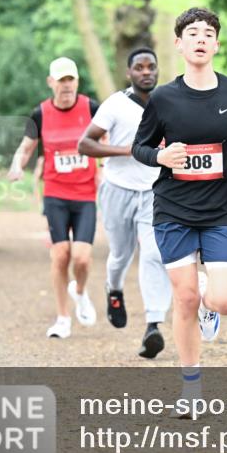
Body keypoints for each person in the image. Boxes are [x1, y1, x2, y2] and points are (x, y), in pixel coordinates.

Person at [132, 8, 227, 410]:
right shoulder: (164, 98)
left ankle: (210, 297)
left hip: (221, 209)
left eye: (208, 33)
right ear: (179, 43)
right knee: (183, 298)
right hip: (174, 209)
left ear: (217, 44)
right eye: (192, 33)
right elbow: (141, 147)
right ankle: (191, 390)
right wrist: (161, 157)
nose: (201, 38)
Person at [78, 48, 171, 359]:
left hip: (154, 192)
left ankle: (153, 325)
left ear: (158, 71)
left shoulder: (168, 102)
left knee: (154, 253)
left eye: (151, 67)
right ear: (129, 73)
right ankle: (113, 289)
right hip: (118, 189)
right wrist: (128, 150)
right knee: (121, 254)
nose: (146, 72)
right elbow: (85, 144)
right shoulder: (115, 105)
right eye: (139, 68)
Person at [8, 57, 101, 338]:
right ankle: (62, 318)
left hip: (85, 194)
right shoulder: (40, 114)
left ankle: (80, 292)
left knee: (82, 258)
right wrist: (16, 166)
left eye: (70, 79)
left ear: (77, 82)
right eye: (61, 80)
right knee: (60, 255)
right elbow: (26, 148)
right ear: (51, 83)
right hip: (56, 194)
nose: (66, 86)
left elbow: (106, 139)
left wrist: (106, 168)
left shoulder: (91, 108)